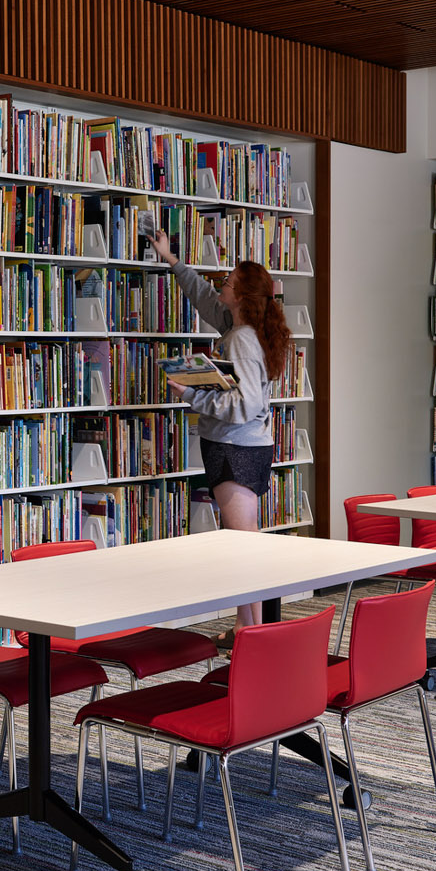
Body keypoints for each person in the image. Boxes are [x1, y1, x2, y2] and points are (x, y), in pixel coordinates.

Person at [149, 231, 294, 640]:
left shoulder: (242, 341)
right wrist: (173, 262)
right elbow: (204, 299)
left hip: (235, 448)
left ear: (243, 296)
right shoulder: (240, 326)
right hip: (238, 446)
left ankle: (254, 632)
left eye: (228, 283)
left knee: (241, 548)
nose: (221, 286)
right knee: (243, 545)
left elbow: (245, 405)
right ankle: (246, 627)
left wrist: (193, 395)